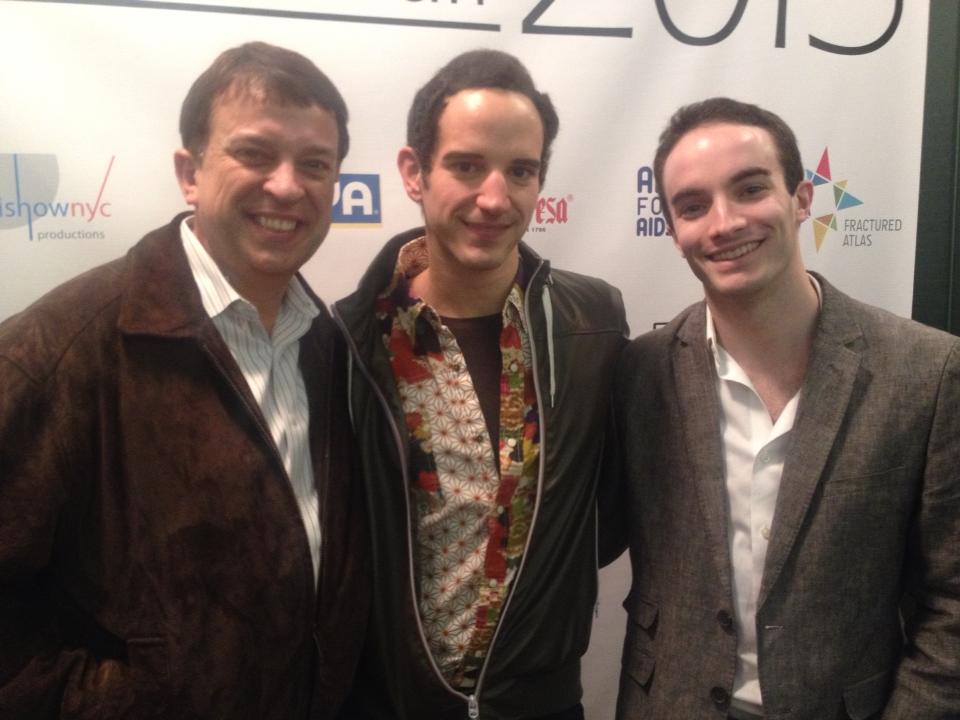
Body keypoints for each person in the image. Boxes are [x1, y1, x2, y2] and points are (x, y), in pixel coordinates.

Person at [0, 42, 368, 719]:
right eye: (255, 154)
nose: (287, 186)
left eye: (315, 164)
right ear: (189, 172)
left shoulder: (332, 346)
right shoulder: (63, 349)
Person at [612, 97, 960, 719]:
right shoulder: (639, 374)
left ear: (802, 199)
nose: (723, 223)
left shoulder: (928, 372)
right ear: (672, 230)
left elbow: (953, 600)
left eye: (749, 189)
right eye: (693, 206)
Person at [333, 49, 628, 720]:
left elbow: (604, 513)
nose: (494, 198)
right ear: (414, 173)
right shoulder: (348, 343)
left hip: (542, 703)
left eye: (520, 171)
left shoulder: (594, 325)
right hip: (388, 704)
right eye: (466, 166)